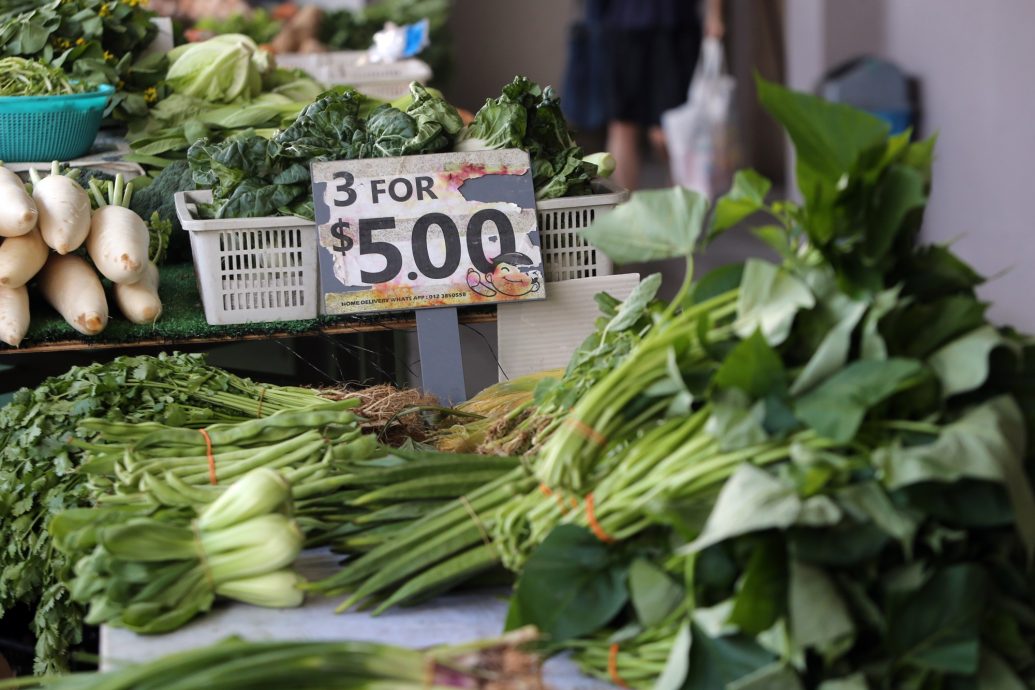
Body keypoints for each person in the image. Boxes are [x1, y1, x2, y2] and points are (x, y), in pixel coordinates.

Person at [605, 0, 724, 191]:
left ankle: (678, 214)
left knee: (673, 130)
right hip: (626, 22)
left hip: (675, 24)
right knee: (622, 123)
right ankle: (622, 214)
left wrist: (715, 14)